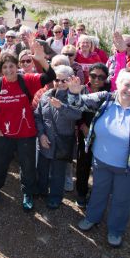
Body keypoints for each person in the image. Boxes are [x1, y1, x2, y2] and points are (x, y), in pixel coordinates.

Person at [67, 69, 130, 248]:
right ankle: (92, 217)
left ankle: (115, 230)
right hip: (101, 161)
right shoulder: (105, 99)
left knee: (122, 200)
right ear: (118, 84)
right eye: (126, 85)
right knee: (98, 191)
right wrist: (73, 92)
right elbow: (76, 105)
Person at [0, 42, 56, 211]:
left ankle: (28, 192)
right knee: (0, 163)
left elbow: (50, 76)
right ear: (0, 69)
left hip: (26, 132)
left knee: (27, 165)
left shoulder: (27, 80)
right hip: (4, 132)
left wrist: (42, 61)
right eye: (5, 67)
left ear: (16, 66)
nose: (9, 70)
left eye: (11, 66)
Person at [34, 65, 83, 209]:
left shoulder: (74, 97)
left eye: (64, 80)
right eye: (57, 80)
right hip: (44, 140)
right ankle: (41, 190)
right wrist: (41, 134)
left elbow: (77, 115)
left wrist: (62, 107)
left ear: (71, 80)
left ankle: (55, 197)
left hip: (62, 142)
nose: (60, 83)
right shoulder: (46, 94)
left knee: (58, 172)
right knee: (41, 168)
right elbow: (37, 116)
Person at [75, 62, 111, 208]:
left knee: (100, 167)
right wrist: (81, 125)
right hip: (84, 132)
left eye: (101, 77)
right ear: (88, 76)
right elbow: (74, 109)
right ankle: (82, 193)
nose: (97, 79)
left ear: (106, 79)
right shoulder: (81, 90)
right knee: (83, 163)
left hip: (103, 136)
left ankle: (96, 195)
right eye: (93, 76)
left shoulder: (109, 94)